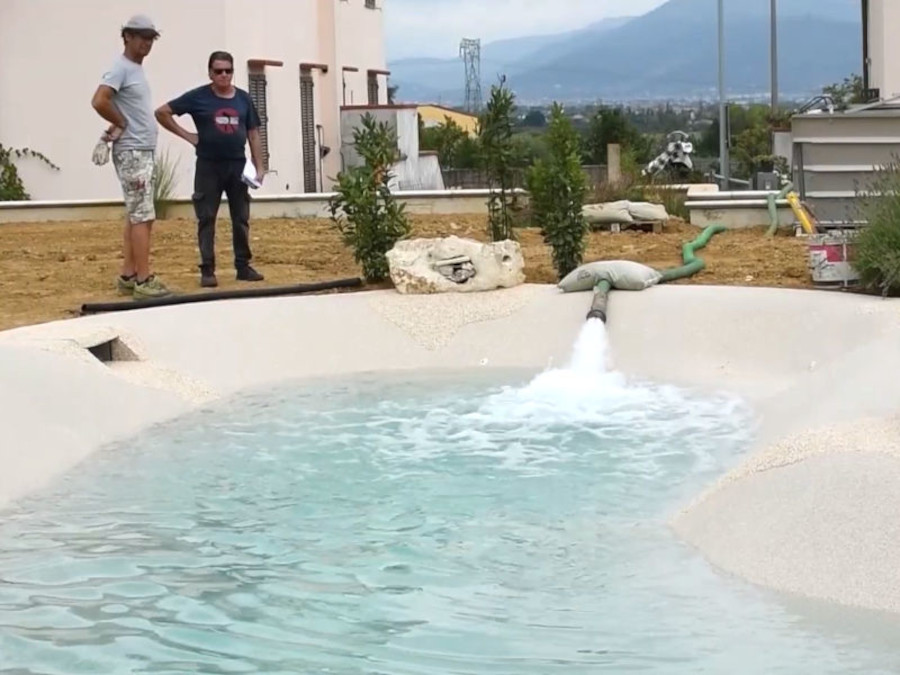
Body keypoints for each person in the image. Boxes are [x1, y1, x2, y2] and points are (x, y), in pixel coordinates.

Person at [155, 51, 265, 287]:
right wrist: (188, 136)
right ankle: (207, 269)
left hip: (237, 165)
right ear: (210, 73)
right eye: (218, 71)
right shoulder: (198, 97)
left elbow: (253, 133)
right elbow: (162, 112)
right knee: (206, 218)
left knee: (241, 217)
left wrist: (260, 166)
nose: (224, 75)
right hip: (208, 165)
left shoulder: (244, 99)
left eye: (228, 71)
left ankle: (243, 266)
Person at [90, 14, 171, 299]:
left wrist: (119, 122)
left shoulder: (134, 69)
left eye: (150, 38)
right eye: (140, 37)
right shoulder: (120, 68)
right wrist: (121, 124)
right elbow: (100, 100)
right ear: (127, 36)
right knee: (142, 216)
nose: (146, 43)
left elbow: (122, 106)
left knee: (138, 214)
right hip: (133, 151)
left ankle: (129, 273)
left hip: (140, 149)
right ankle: (144, 279)